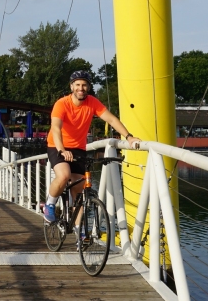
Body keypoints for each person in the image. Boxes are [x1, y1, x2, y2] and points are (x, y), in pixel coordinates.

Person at [43, 70, 140, 224]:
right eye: (77, 85)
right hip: (57, 145)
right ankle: (49, 204)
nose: (81, 88)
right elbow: (56, 128)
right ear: (72, 86)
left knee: (79, 191)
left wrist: (128, 137)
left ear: (88, 87)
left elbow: (112, 120)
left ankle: (78, 233)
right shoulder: (62, 104)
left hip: (78, 149)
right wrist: (62, 150)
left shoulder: (92, 102)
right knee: (63, 175)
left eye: (84, 85)